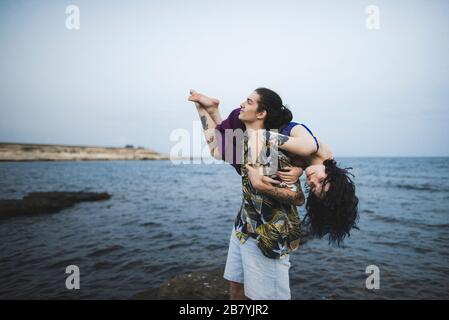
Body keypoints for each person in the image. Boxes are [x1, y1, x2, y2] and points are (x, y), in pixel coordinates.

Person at [188, 88, 306, 300]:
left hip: (268, 237)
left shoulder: (273, 151)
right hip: (242, 228)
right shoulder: (243, 143)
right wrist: (203, 109)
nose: (242, 103)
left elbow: (298, 198)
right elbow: (216, 149)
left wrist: (264, 187)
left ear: (261, 113)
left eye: (249, 102)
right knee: (236, 288)